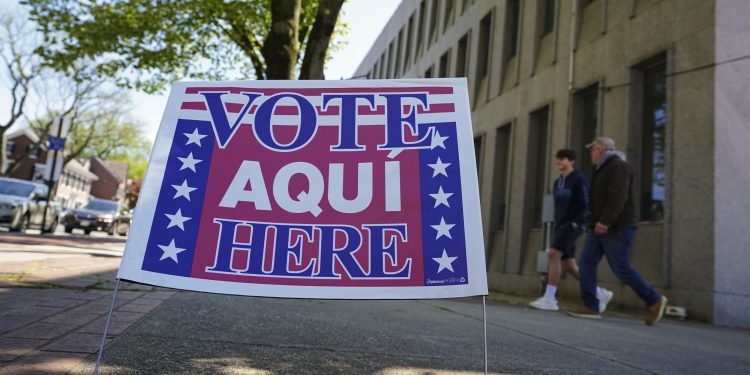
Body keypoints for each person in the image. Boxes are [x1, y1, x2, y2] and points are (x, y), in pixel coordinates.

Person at [568, 137, 668, 325]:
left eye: (593, 149)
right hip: (598, 227)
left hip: (616, 227)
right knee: (586, 263)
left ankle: (654, 299)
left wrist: (605, 221)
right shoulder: (602, 168)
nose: (591, 153)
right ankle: (590, 306)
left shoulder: (619, 167)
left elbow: (618, 197)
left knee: (620, 268)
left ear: (602, 149)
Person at [529, 149, 613, 312]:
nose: (558, 162)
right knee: (569, 265)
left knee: (553, 253)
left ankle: (550, 298)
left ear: (571, 161)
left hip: (574, 225)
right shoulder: (558, 182)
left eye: (562, 159)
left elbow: (587, 203)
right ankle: (598, 292)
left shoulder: (579, 180)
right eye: (557, 159)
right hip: (560, 225)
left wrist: (578, 222)